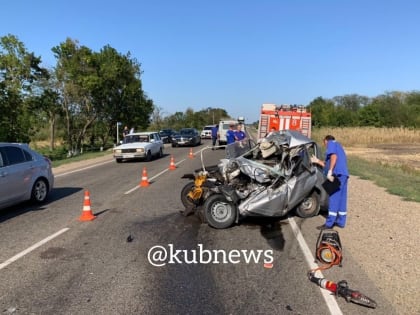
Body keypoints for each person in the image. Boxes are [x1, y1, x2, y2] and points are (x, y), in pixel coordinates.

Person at [311, 135, 349, 229]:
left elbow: (333, 157)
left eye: (324, 143)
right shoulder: (338, 146)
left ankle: (329, 223)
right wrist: (317, 161)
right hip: (343, 175)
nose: (325, 145)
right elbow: (327, 163)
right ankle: (341, 221)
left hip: (337, 175)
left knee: (333, 198)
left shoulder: (332, 143)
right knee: (342, 199)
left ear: (326, 140)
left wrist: (330, 171)